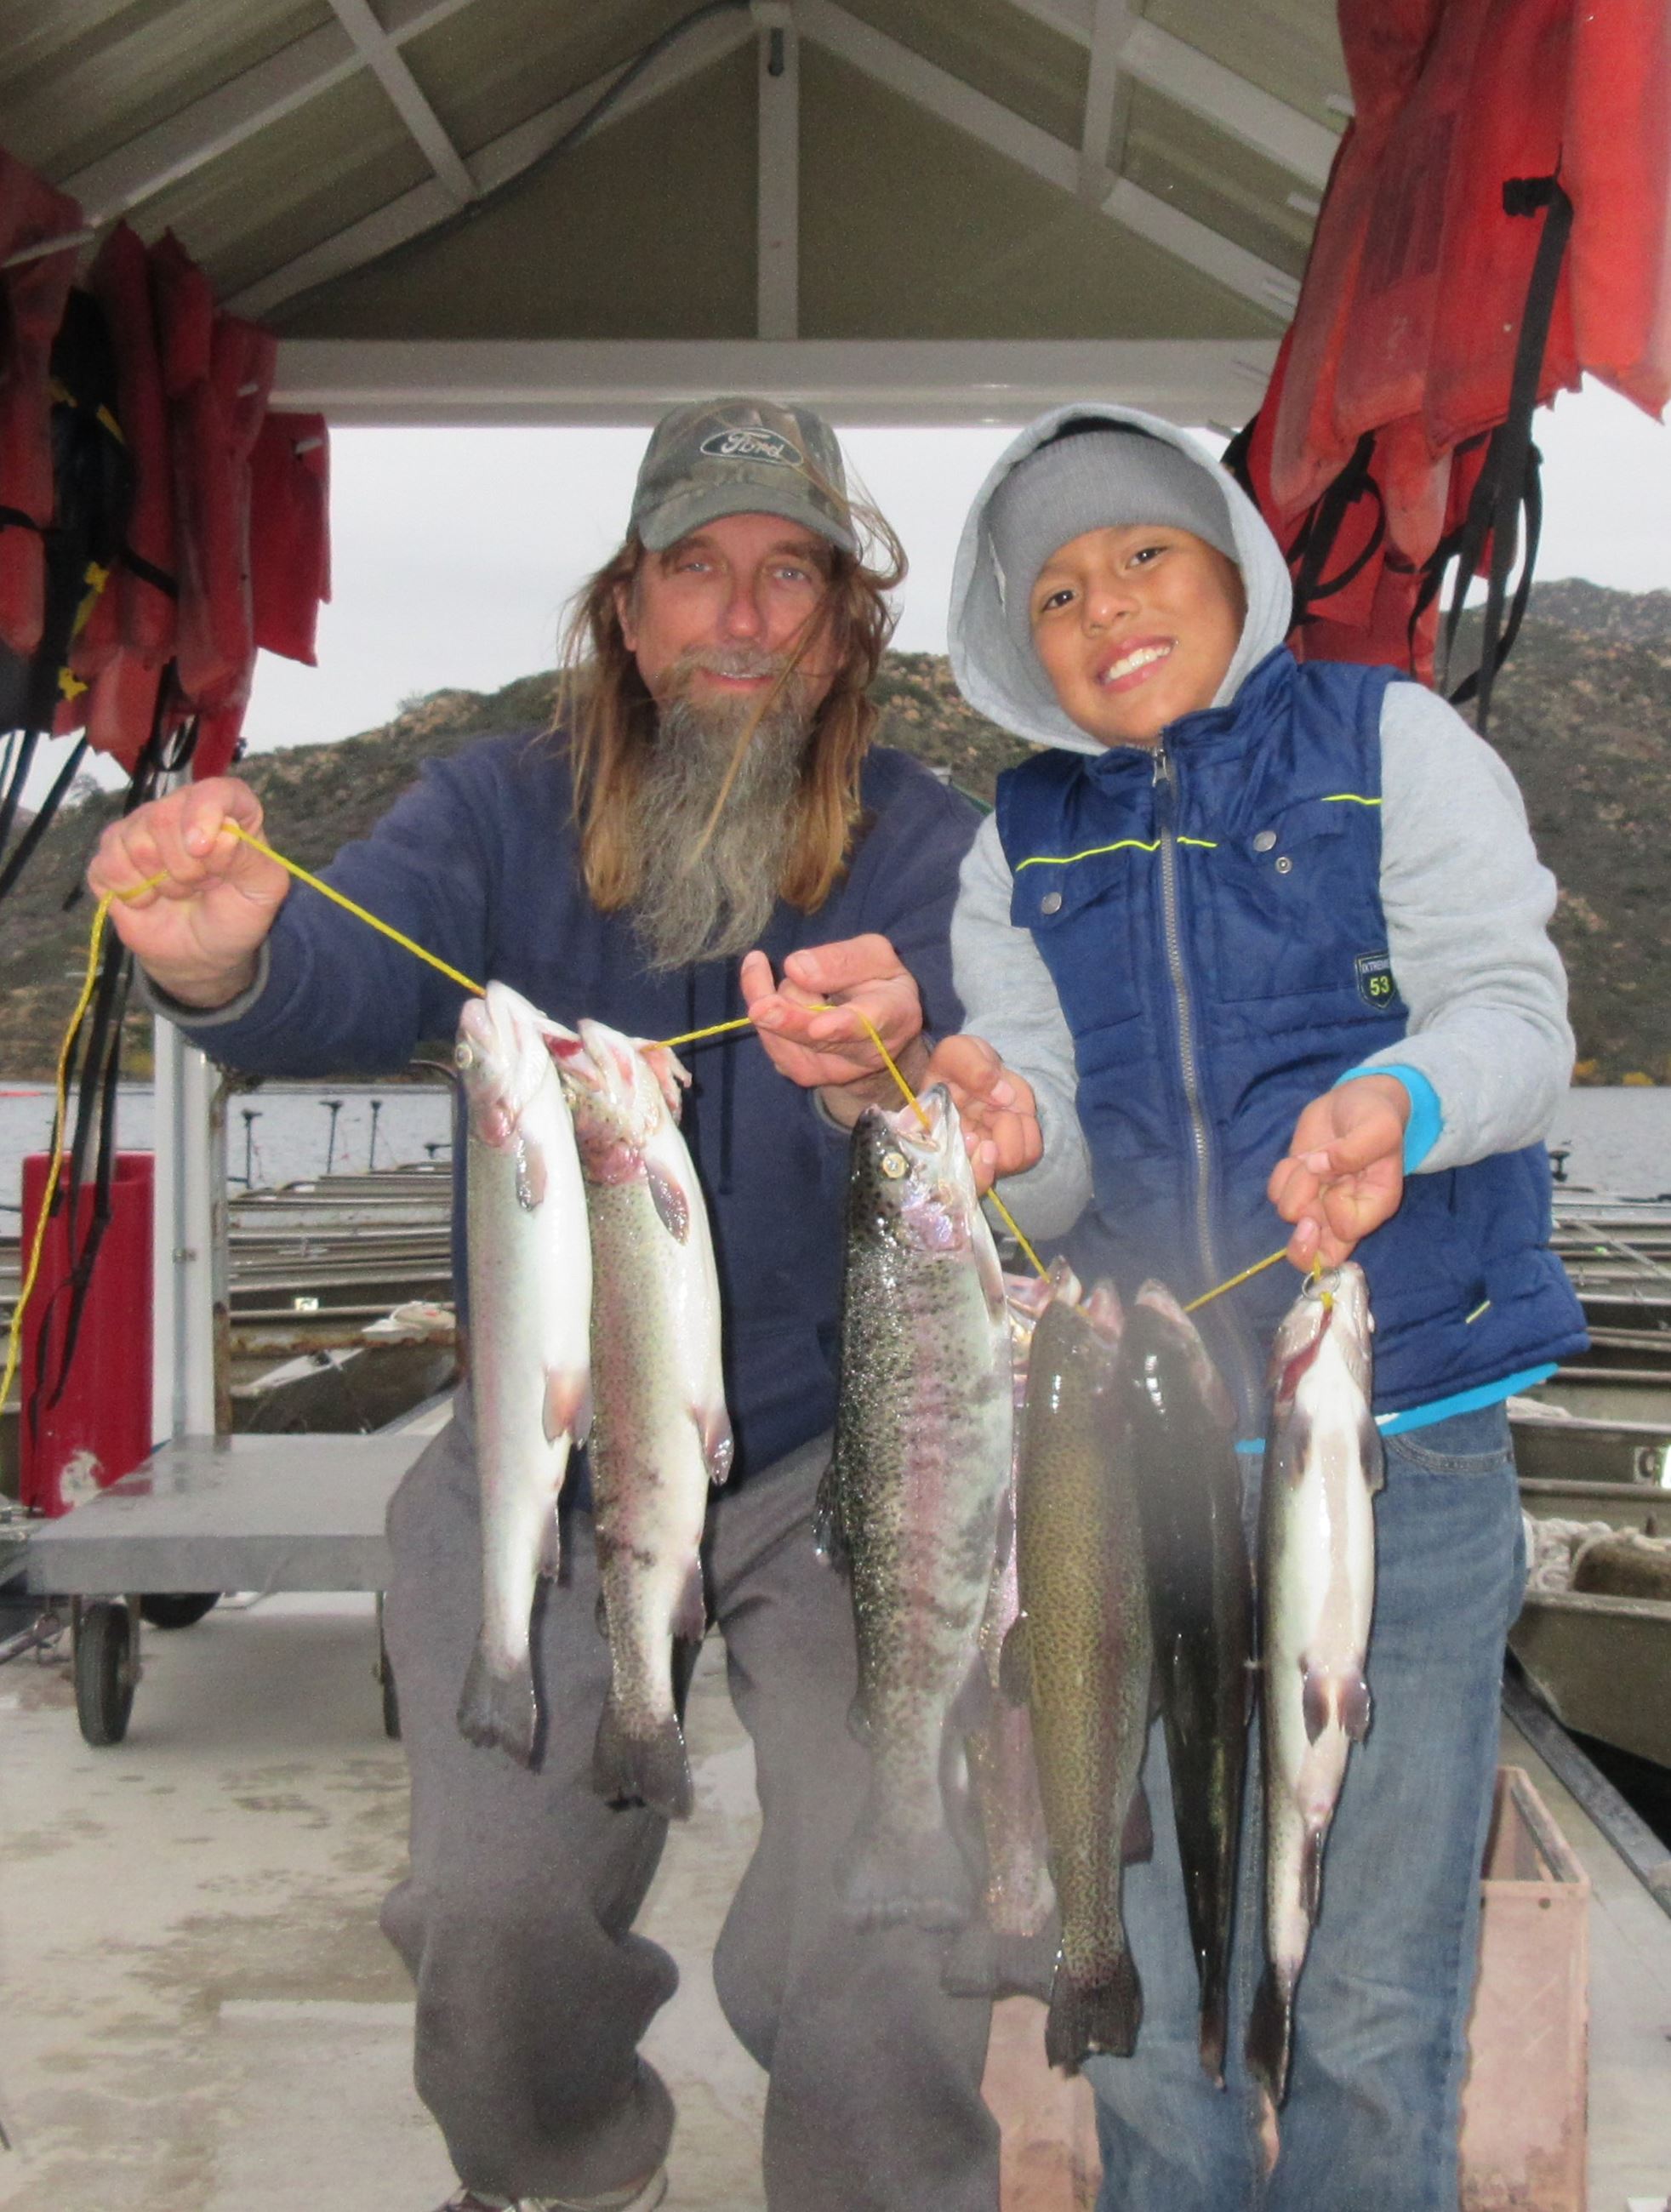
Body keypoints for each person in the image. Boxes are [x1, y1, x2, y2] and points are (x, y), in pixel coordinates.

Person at [89, 398, 1000, 2212]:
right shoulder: (491, 806)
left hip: (844, 1458)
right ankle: (565, 2176)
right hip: (542, 1450)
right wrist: (232, 957)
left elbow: (998, 1078)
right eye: (696, 570)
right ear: (629, 605)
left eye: (789, 575)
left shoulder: (929, 837)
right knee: (488, 1914)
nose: (740, 617)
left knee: (888, 1928)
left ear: (840, 622)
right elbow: (343, 975)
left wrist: (917, 1069)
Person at [919, 404, 1588, 2211]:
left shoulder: (1393, 743)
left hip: (1404, 1453)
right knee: (1149, 1984)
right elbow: (1048, 1173)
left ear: (1231, 561)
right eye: (1054, 587)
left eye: (1143, 551)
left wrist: (1400, 1108)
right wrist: (1004, 1139)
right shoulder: (1013, 846)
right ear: (1016, 640)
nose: (1107, 604)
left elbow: (1516, 1022)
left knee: (1371, 1995)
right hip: (1123, 1483)